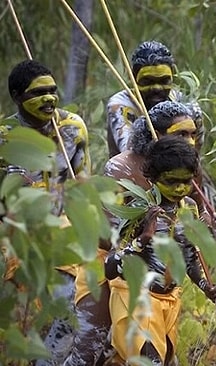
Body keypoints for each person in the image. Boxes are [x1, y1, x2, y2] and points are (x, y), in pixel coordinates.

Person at [63, 100, 208, 365]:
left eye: (192, 134)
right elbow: (108, 236)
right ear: (155, 134)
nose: (189, 141)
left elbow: (192, 233)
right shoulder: (120, 167)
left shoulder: (186, 167)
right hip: (112, 263)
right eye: (180, 134)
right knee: (89, 349)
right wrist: (143, 238)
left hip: (159, 285)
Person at [104, 135, 216, 365]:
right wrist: (142, 240)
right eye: (171, 181)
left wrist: (205, 286)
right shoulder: (139, 210)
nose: (180, 189)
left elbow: (188, 258)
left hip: (168, 300)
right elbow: (110, 268)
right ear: (152, 177)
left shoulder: (188, 209)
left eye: (186, 181)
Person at [4, 59, 91, 365]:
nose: (49, 98)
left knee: (68, 307)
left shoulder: (72, 128)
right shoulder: (6, 136)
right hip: (15, 238)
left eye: (53, 91)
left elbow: (83, 184)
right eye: (38, 93)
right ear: (17, 96)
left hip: (61, 231)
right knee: (18, 326)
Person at [106, 40, 203, 158]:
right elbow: (129, 153)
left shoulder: (188, 107)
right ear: (133, 78)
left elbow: (195, 154)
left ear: (173, 77)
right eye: (147, 81)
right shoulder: (121, 105)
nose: (157, 88)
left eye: (164, 81)